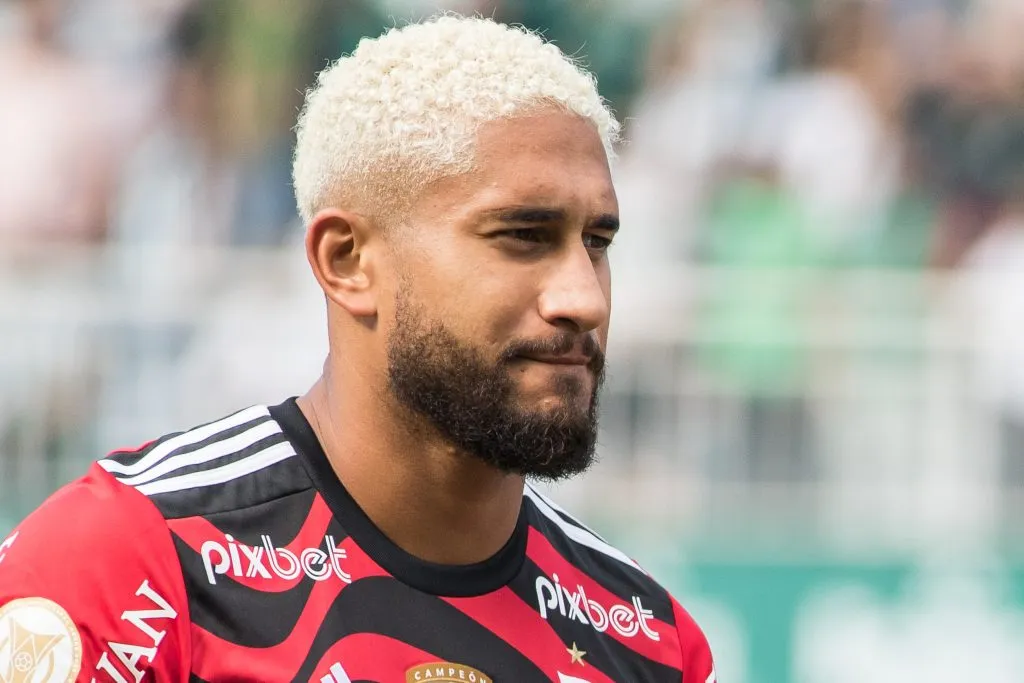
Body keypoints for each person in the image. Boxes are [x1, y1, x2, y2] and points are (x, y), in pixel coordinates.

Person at [0, 15, 716, 683]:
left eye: (598, 243)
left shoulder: (648, 640)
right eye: (522, 236)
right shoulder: (133, 561)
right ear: (348, 261)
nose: (584, 298)